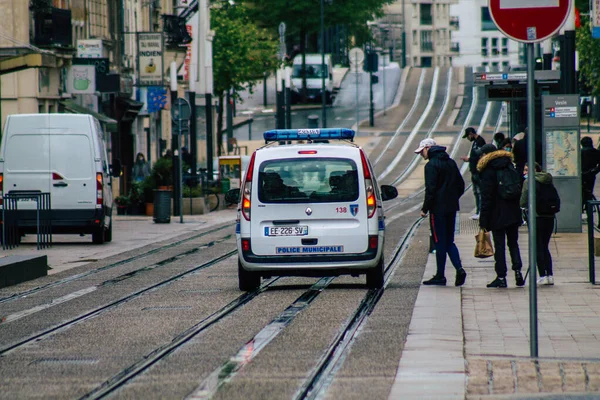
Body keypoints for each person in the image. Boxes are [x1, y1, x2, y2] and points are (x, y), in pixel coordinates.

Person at [416, 138, 467, 287]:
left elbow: (430, 190)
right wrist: (452, 198)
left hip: (437, 210)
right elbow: (461, 185)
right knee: (449, 241)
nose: (421, 155)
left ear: (427, 148)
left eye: (421, 152)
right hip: (451, 208)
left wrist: (425, 208)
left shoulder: (431, 166)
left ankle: (440, 275)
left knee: (439, 241)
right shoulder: (450, 162)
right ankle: (459, 268)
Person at [477, 144, 524, 288]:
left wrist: (483, 221)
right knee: (513, 244)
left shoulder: (488, 171)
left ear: (486, 155)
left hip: (497, 214)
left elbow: (486, 198)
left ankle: (501, 277)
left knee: (500, 246)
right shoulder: (510, 165)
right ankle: (518, 272)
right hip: (513, 212)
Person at [520, 163, 556, 285]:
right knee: (545, 246)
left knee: (537, 246)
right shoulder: (547, 179)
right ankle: (550, 274)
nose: (525, 172)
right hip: (550, 216)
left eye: (527, 170)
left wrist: (523, 207)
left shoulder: (529, 181)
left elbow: (523, 200)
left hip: (536, 216)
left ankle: (542, 275)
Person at [460, 127, 486, 220]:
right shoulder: (476, 142)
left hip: (478, 171)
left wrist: (469, 159)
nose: (468, 138)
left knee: (479, 192)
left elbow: (481, 156)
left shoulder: (480, 141)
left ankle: (480, 212)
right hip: (475, 171)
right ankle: (478, 211)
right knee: (476, 192)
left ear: (471, 134)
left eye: (468, 136)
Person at [580, 136, 600, 211]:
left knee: (581, 193)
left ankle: (581, 207)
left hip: (581, 175)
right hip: (591, 175)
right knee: (589, 191)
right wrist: (593, 171)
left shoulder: (580, 152)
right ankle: (589, 208)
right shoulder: (596, 152)